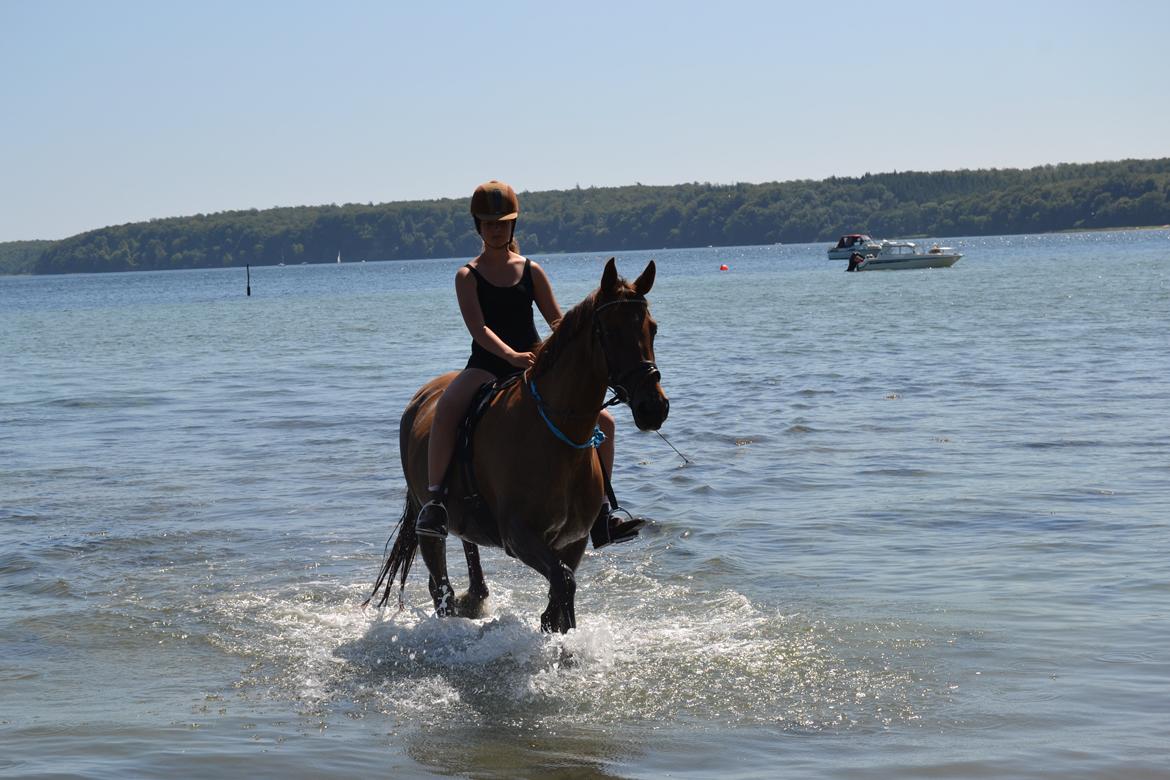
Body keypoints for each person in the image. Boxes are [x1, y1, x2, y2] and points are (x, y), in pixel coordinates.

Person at [414, 180, 643, 548]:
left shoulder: (531, 270)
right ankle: (436, 502)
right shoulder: (467, 276)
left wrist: (577, 355)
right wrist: (511, 356)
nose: (496, 230)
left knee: (606, 422)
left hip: (536, 364)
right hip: (487, 365)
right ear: (478, 227)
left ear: (513, 226)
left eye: (503, 223)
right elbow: (479, 329)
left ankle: (602, 513)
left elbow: (557, 322)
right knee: (447, 410)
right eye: (490, 224)